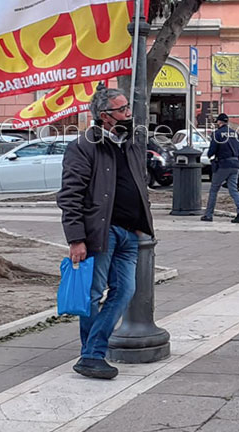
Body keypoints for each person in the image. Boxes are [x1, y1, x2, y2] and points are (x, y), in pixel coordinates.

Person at [57, 85, 153, 380]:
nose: (128, 114)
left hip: (129, 233)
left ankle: (90, 353)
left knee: (125, 291)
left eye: (128, 109)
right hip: (102, 232)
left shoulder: (132, 143)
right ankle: (93, 355)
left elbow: (139, 181)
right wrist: (76, 239)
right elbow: (70, 195)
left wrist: (142, 219)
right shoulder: (85, 146)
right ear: (105, 116)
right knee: (94, 293)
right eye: (122, 110)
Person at [201, 114, 239, 223]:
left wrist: (209, 155)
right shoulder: (235, 133)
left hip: (223, 165)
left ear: (219, 122)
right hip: (235, 164)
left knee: (214, 189)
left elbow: (212, 151)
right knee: (233, 189)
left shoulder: (217, 134)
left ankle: (208, 215)